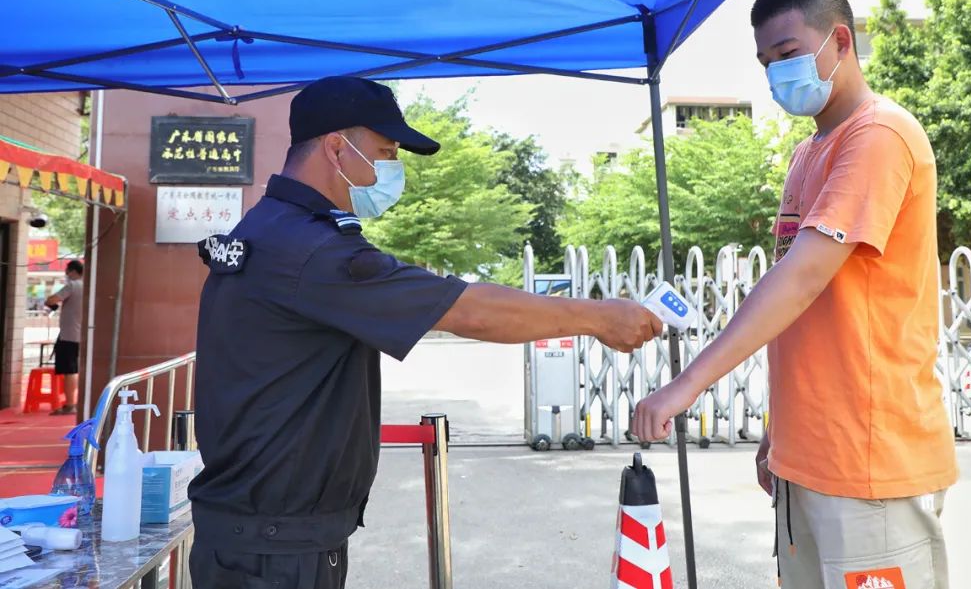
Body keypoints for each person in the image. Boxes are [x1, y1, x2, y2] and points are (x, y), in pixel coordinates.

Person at [188, 76, 662, 589]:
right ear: (336, 148)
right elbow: (467, 310)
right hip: (272, 551)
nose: (393, 169)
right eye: (386, 153)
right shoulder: (311, 251)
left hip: (262, 535)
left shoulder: (273, 228)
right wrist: (598, 317)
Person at [631, 0, 957, 589]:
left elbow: (802, 277)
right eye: (766, 63)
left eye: (787, 54)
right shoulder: (810, 153)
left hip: (870, 456)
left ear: (841, 41)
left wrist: (685, 386)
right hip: (809, 454)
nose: (778, 74)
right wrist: (781, 432)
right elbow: (801, 309)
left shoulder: (878, 135)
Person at [44, 260, 83, 415]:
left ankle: (70, 404)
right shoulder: (87, 286)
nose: (66, 274)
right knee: (75, 369)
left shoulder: (73, 285)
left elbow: (52, 300)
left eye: (67, 271)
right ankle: (74, 402)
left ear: (73, 271)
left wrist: (50, 301)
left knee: (69, 371)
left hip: (68, 335)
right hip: (80, 335)